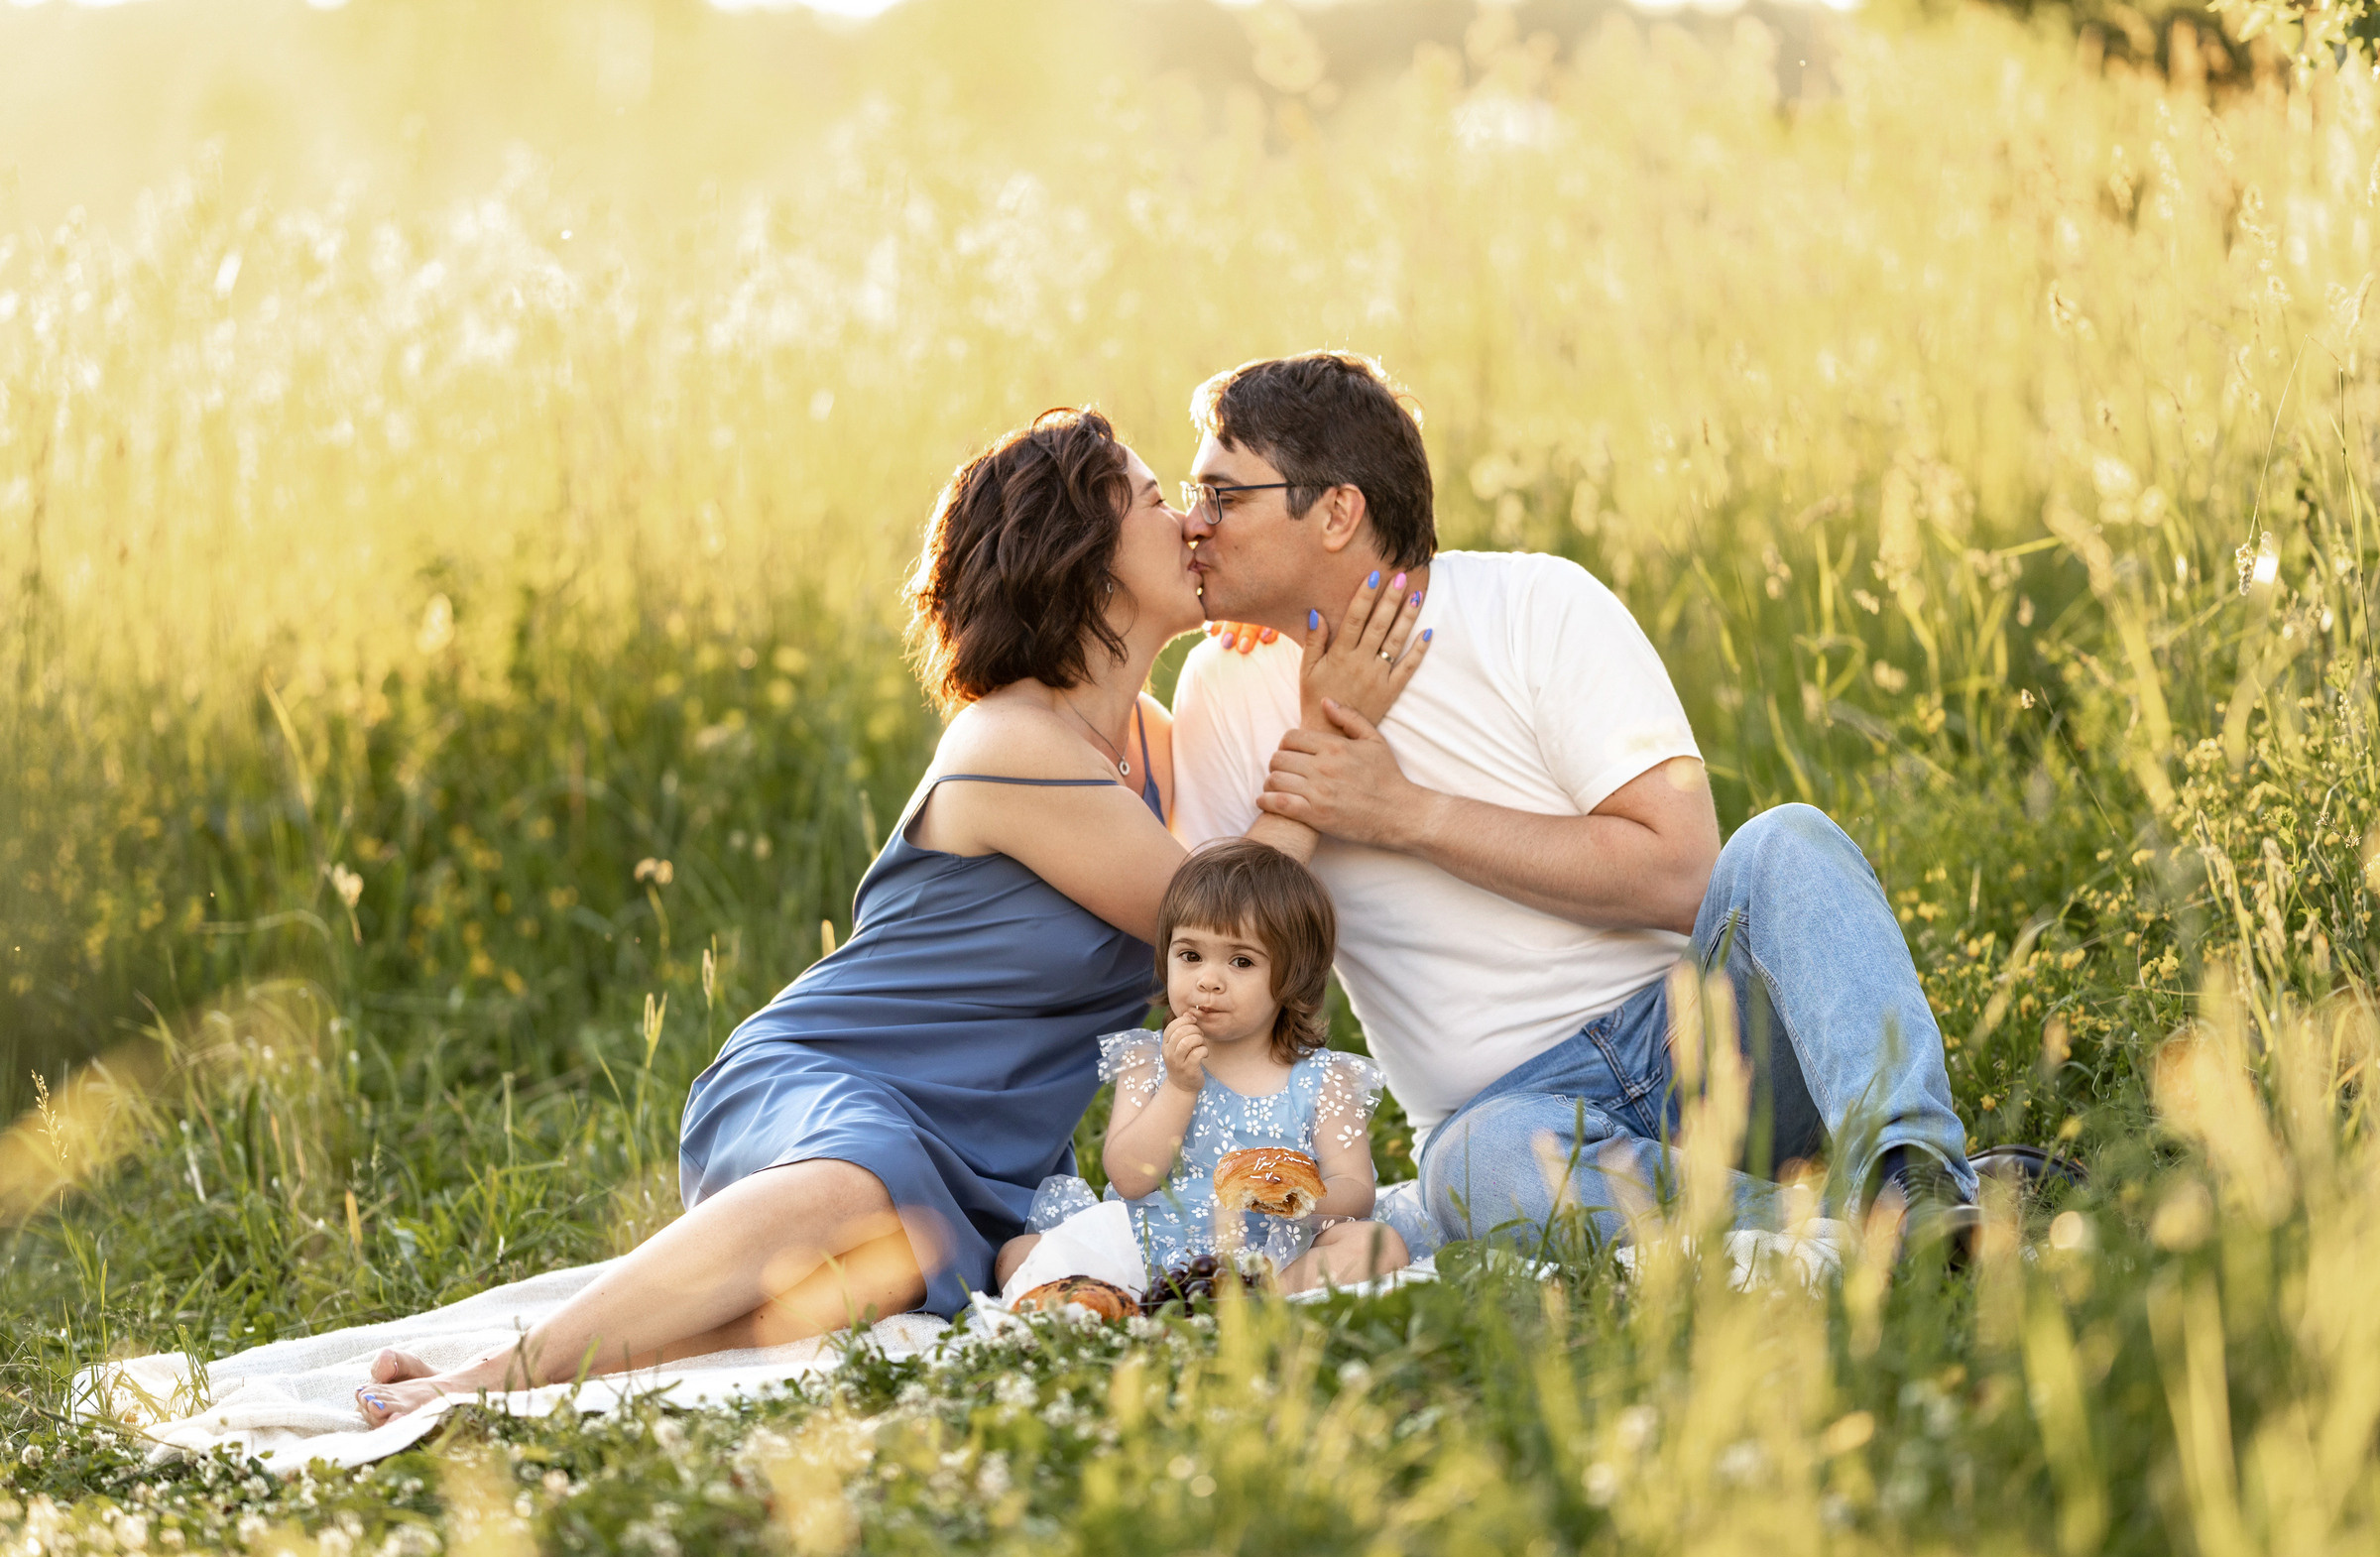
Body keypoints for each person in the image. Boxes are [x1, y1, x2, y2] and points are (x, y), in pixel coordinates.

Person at [359, 408, 1429, 1427]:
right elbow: (1221, 920)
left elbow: (1236, 943)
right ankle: (487, 1376)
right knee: (854, 1192)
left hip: (987, 1156)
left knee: (851, 1296)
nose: (1193, 521)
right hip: (835, 1081)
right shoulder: (1010, 742)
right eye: (1157, 501)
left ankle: (533, 1368)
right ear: (1087, 556)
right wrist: (1329, 728)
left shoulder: (1149, 737)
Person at [1165, 351, 1979, 1261]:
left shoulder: (1536, 605)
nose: (1190, 526)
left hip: (1698, 1038)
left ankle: (1918, 1178)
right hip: (1513, 1122)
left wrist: (1406, 813)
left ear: (1337, 511)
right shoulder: (1224, 686)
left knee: (1788, 843)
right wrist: (1323, 748)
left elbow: (1679, 873)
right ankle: (1854, 1232)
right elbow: (1217, 974)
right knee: (1469, 1169)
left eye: (1222, 497)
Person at [996, 840, 1406, 1297]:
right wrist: (1179, 1088)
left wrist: (1293, 1196)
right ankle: (1127, 1304)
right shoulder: (1148, 1061)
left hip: (1270, 1259)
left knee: (1376, 1244)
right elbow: (1130, 1179)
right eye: (1191, 955)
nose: (1208, 979)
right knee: (1019, 1255)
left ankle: (1255, 1302)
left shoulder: (1323, 1079)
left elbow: (1355, 1192)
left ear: (1294, 976)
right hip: (1143, 1255)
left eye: (1241, 961)